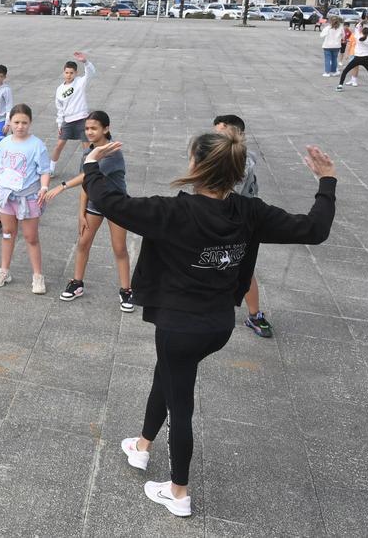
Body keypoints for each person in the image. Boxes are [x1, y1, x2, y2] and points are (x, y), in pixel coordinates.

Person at [87, 135, 336, 519]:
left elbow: (110, 202)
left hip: (178, 327)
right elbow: (314, 229)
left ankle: (178, 492)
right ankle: (141, 446)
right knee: (167, 376)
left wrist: (91, 165)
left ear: (196, 166)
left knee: (181, 403)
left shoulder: (173, 212)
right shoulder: (251, 212)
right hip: (217, 326)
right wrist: (327, 181)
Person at [41, 111, 133, 310]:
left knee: (119, 248)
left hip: (117, 204)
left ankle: (126, 290)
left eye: (94, 128)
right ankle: (77, 283)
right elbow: (88, 184)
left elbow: (87, 175)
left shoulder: (113, 151)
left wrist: (62, 186)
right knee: (82, 243)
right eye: (87, 129)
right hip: (95, 204)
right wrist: (80, 213)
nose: (89, 132)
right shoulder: (87, 152)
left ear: (106, 129)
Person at [0, 103, 53, 294]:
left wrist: (44, 187)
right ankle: (4, 270)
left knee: (31, 237)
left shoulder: (37, 145)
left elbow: (44, 171)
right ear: (10, 122)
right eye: (16, 122)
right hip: (7, 197)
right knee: (7, 233)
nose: (20, 126)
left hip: (29, 196)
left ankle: (38, 276)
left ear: (30, 123)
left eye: (24, 122)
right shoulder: (4, 143)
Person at [212, 114, 272, 337]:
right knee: (231, 266)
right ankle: (251, 314)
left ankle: (254, 315)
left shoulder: (240, 159)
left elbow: (229, 192)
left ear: (229, 129)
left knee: (242, 268)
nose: (215, 135)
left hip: (237, 221)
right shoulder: (231, 153)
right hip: (226, 217)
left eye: (218, 131)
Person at [51, 52, 95, 163]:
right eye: (66, 72)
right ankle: (51, 168)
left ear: (76, 73)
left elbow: (91, 73)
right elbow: (59, 108)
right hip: (68, 120)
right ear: (63, 72)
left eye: (71, 73)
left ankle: (87, 169)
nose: (69, 75)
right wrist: (60, 124)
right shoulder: (60, 89)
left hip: (82, 119)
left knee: (86, 147)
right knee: (59, 145)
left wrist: (85, 62)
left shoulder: (80, 82)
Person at [337, 23, 368, 92]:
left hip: (357, 58)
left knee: (345, 71)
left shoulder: (358, 36)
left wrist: (361, 22)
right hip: (365, 59)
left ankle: (340, 86)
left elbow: (357, 29)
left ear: (362, 32)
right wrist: (367, 23)